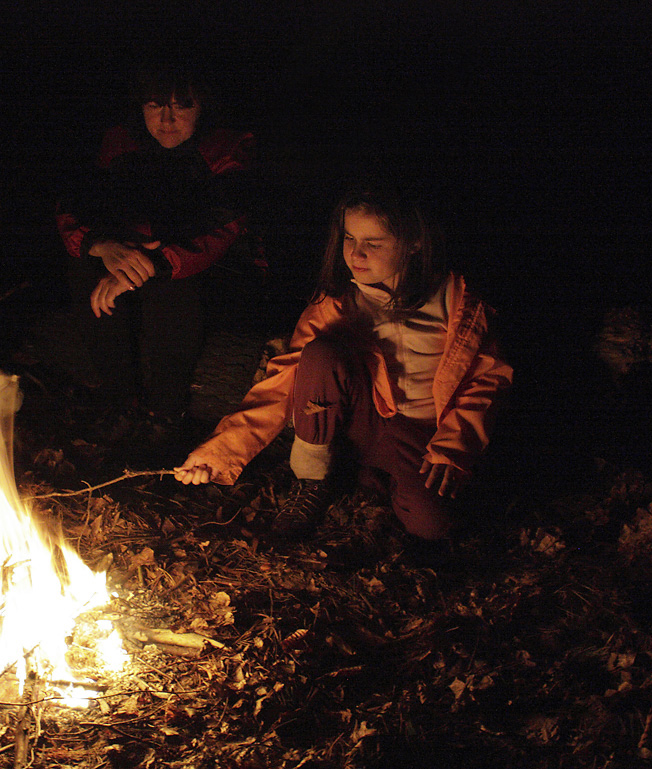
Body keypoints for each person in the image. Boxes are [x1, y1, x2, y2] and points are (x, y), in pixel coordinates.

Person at [174, 175, 513, 544]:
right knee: (319, 354)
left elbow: (487, 380)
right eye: (350, 238)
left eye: (374, 242)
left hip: (424, 433)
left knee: (430, 526)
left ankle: (375, 478)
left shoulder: (458, 302)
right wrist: (221, 450)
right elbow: (284, 378)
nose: (356, 253)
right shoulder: (336, 302)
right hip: (364, 422)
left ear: (415, 242)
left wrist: (454, 448)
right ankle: (314, 481)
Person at [56, 61, 257, 426]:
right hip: (139, 254)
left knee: (171, 288)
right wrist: (101, 245)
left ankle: (166, 412)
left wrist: (150, 265)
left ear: (203, 107)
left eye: (181, 106)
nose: (166, 120)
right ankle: (119, 400)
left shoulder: (226, 148)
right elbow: (77, 204)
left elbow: (220, 226)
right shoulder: (121, 141)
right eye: (154, 105)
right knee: (86, 266)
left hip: (212, 270)